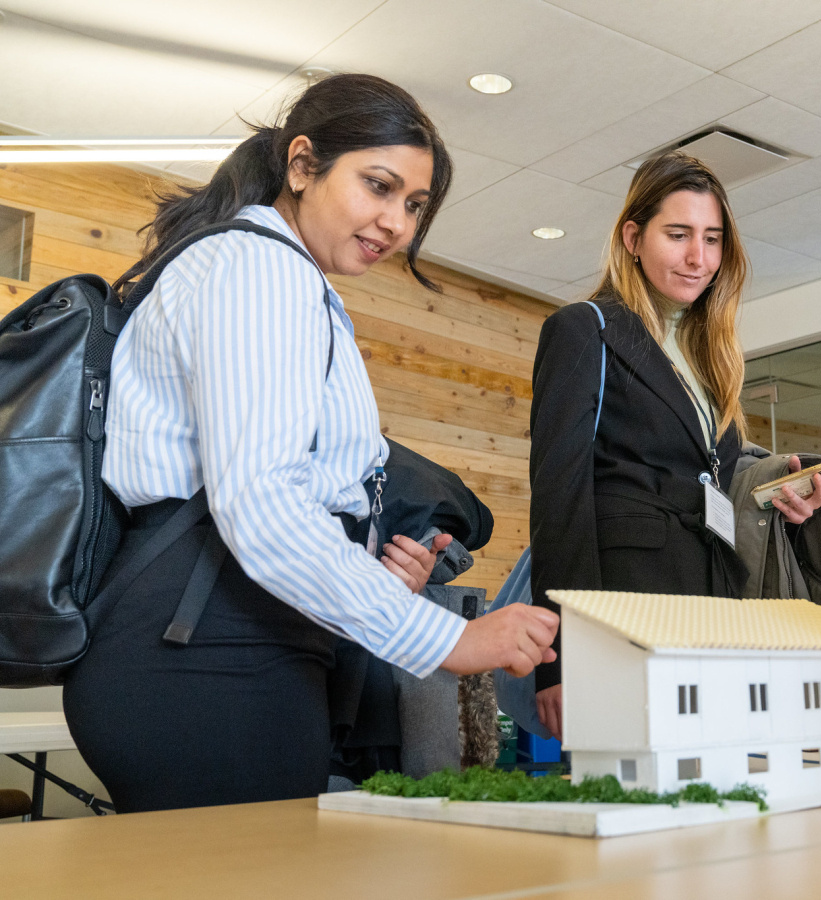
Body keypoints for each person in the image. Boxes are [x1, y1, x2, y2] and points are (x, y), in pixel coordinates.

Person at [63, 74, 557, 813]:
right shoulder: (261, 269)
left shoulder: (275, 275)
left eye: (414, 206)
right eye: (378, 186)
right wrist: (446, 641)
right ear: (301, 164)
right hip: (204, 644)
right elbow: (261, 505)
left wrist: (370, 572)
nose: (396, 222)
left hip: (222, 634)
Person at [528, 152, 821, 740]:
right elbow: (558, 499)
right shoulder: (583, 329)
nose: (699, 258)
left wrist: (784, 504)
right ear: (633, 237)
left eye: (713, 239)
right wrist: (560, 658)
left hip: (710, 599)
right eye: (678, 235)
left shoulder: (707, 359)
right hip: (626, 608)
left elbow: (710, 489)